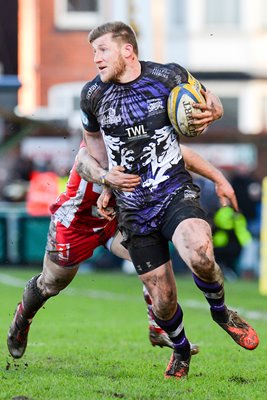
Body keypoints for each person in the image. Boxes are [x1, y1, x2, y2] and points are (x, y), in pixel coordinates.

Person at [80, 21, 259, 380]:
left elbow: (212, 100)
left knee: (199, 250)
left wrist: (217, 110)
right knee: (162, 299)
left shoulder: (168, 75)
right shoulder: (92, 95)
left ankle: (221, 312)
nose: (96, 59)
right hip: (132, 205)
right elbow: (89, 154)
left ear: (127, 50)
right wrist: (104, 181)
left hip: (173, 188)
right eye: (94, 52)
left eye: (102, 50)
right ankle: (180, 349)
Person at [7, 141, 234, 360]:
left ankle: (157, 326)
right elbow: (84, 162)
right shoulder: (102, 136)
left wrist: (217, 177)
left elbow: (178, 152)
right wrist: (105, 178)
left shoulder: (140, 131)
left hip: (117, 221)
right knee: (51, 283)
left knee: (152, 261)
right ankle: (22, 320)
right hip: (77, 222)